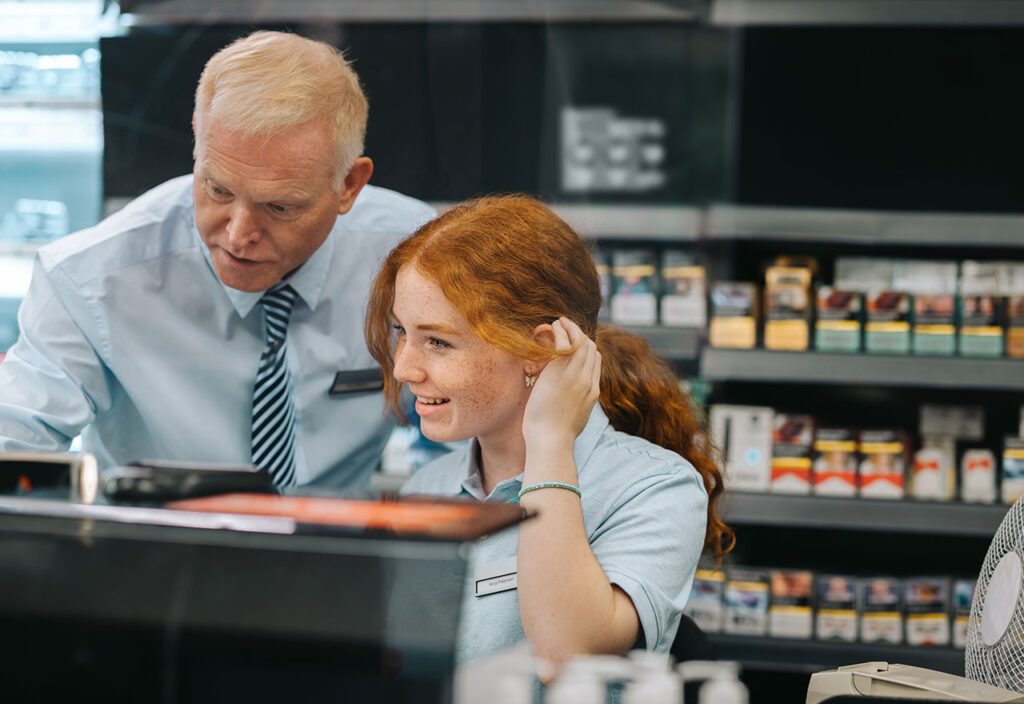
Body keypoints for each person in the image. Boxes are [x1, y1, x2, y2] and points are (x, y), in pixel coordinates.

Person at [0, 31, 434, 488]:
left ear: (349, 185)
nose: (237, 235)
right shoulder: (89, 278)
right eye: (217, 190)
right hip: (148, 550)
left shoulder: (413, 259)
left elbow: (470, 439)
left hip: (345, 551)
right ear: (197, 136)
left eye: (279, 207)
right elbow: (13, 447)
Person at [365, 195, 732, 667]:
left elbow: (566, 653)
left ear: (538, 350)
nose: (403, 368)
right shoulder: (427, 489)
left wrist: (550, 442)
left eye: (437, 341)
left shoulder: (654, 488)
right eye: (402, 333)